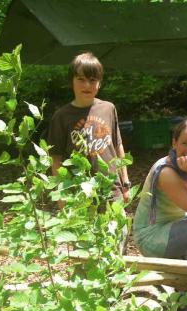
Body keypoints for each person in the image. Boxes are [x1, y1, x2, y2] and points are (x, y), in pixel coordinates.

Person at [48, 52, 131, 203]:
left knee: (118, 227)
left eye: (92, 80)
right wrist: (61, 196)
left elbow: (117, 145)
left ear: (99, 83)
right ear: (71, 81)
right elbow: (56, 159)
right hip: (80, 194)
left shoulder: (108, 109)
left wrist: (125, 182)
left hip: (112, 190)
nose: (87, 85)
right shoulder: (61, 116)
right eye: (81, 79)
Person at [132, 118, 187, 259]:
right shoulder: (166, 172)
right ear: (174, 143)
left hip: (180, 225)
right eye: (184, 143)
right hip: (151, 236)